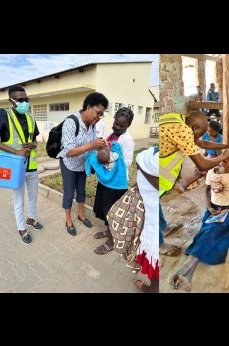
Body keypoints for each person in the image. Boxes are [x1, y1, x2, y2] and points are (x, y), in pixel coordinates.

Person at [168, 135, 229, 292]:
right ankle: (189, 278)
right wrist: (209, 207)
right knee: (206, 234)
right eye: (227, 154)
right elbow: (207, 189)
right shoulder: (212, 171)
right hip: (212, 208)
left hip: (227, 210)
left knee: (210, 233)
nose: (227, 157)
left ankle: (186, 268)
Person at [159, 111, 229, 256]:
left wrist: (225, 145)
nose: (199, 137)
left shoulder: (178, 118)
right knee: (151, 207)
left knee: (155, 205)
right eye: (200, 133)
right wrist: (223, 156)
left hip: (157, 172)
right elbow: (203, 164)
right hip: (157, 176)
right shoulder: (184, 131)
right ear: (195, 127)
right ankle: (159, 245)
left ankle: (163, 228)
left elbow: (201, 142)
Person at [0, 85, 42, 245]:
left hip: (31, 166)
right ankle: (21, 229)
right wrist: (15, 151)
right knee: (19, 199)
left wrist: (33, 144)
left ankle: (31, 219)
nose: (24, 102)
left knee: (33, 197)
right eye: (20, 100)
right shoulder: (3, 115)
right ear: (11, 100)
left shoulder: (31, 118)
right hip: (15, 167)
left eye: (26, 99)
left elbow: (35, 140)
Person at [57, 92, 108, 236]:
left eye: (101, 115)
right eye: (98, 113)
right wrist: (92, 144)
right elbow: (68, 151)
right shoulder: (71, 122)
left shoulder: (92, 125)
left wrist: (99, 146)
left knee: (82, 191)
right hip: (69, 163)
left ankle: (81, 215)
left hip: (82, 164)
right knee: (68, 193)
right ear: (88, 107)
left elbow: (90, 144)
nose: (98, 118)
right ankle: (68, 221)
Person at [91, 107, 135, 254]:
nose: (117, 127)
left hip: (116, 184)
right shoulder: (111, 134)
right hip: (106, 180)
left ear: (128, 125)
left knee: (113, 213)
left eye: (121, 126)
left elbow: (128, 162)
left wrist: (109, 159)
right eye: (116, 123)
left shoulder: (127, 139)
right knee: (105, 210)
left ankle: (111, 242)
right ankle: (107, 232)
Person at [134, 146, 159, 293]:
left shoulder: (145, 158)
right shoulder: (150, 155)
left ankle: (152, 289)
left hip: (153, 220)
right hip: (152, 215)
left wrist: (142, 169)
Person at [174, 120, 223, 193]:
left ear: (217, 131)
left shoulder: (221, 138)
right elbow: (205, 145)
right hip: (209, 156)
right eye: (208, 131)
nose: (209, 134)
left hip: (216, 157)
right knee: (199, 167)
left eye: (212, 132)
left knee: (201, 170)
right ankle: (185, 184)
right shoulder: (206, 135)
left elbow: (220, 155)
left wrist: (215, 144)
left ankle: (183, 185)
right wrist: (206, 153)